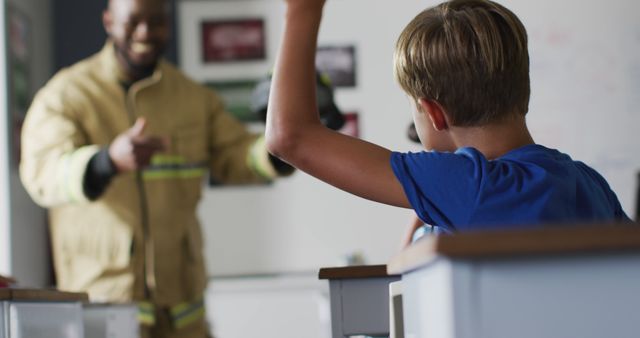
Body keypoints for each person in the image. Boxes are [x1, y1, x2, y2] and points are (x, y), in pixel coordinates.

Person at [19, 0, 292, 337]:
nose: (146, 32)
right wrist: (106, 162)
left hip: (183, 314)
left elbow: (238, 156)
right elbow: (42, 173)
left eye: (157, 21)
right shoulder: (67, 95)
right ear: (108, 21)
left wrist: (286, 144)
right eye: (133, 21)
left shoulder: (194, 98)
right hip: (107, 309)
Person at [265, 0, 631, 236]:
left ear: (435, 114)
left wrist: (302, 10)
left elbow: (290, 137)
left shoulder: (471, 185)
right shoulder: (588, 183)